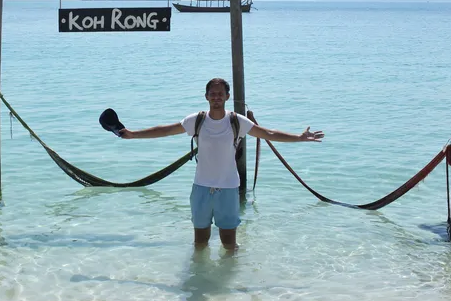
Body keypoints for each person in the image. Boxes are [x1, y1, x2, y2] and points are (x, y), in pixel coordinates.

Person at [119, 77, 323, 250]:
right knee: (200, 243)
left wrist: (299, 137)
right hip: (201, 188)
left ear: (227, 96)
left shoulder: (237, 121)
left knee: (229, 244)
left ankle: (231, 284)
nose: (216, 97)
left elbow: (268, 133)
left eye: (220, 94)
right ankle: (201, 278)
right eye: (212, 94)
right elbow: (164, 130)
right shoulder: (196, 120)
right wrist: (132, 135)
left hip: (228, 188)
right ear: (206, 96)